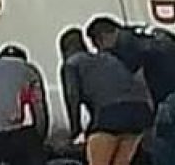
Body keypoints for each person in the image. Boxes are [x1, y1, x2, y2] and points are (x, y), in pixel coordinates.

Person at [85, 17, 175, 165]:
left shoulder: (127, 47)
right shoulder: (142, 32)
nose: (100, 50)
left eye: (98, 45)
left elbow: (140, 84)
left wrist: (146, 119)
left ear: (104, 36)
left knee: (163, 143)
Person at [59, 27, 152, 165]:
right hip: (139, 113)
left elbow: (72, 96)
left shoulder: (71, 64)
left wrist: (75, 131)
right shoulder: (108, 58)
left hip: (110, 115)